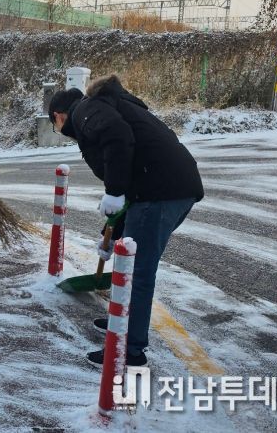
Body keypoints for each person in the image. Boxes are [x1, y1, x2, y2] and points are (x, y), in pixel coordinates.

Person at [48, 74, 204, 367]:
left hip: (161, 191)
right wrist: (113, 232)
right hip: (166, 187)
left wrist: (114, 191)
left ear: (59, 116)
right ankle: (122, 322)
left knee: (137, 271)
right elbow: (128, 172)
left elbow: (118, 138)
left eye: (57, 126)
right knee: (130, 262)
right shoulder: (104, 106)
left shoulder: (85, 111)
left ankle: (128, 349)